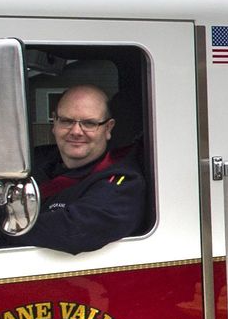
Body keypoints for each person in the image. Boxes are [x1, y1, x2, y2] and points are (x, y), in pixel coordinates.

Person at [14, 84, 146, 254]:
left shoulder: (124, 181)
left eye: (89, 123)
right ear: (54, 122)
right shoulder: (29, 161)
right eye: (67, 121)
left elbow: (75, 230)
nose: (76, 131)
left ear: (108, 128)